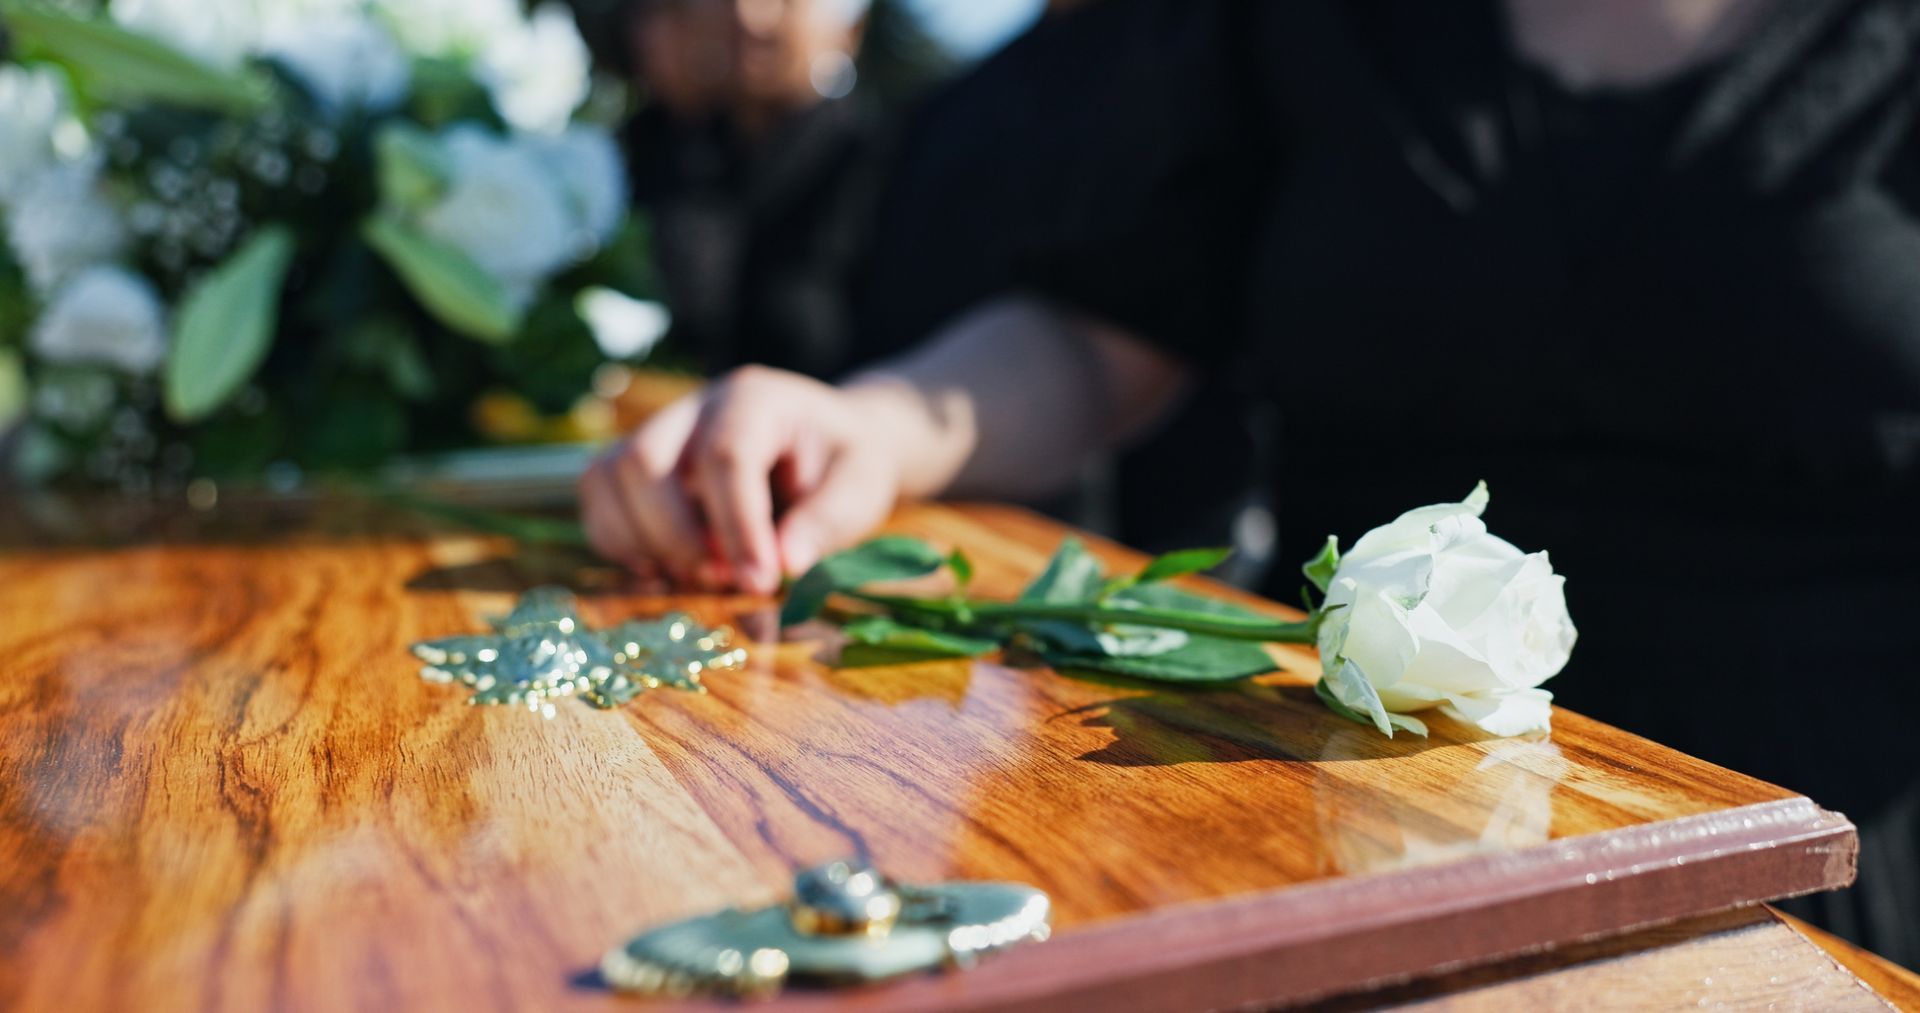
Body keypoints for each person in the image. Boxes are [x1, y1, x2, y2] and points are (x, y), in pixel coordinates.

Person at [581, 0, 1920, 963]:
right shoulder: (1298, 28)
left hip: (1825, 874)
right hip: (1332, 837)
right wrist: (861, 426)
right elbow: (1109, 334)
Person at [624, 0, 886, 377]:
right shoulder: (670, 150)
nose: (750, 17)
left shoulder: (879, 162)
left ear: (850, 28)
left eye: (786, 2)